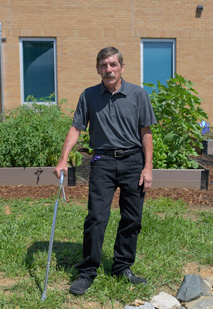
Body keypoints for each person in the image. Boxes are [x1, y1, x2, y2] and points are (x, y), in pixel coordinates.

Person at [53, 47, 156, 295]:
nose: (108, 69)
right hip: (102, 162)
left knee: (132, 218)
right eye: (103, 65)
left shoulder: (138, 95)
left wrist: (148, 167)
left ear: (122, 66)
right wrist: (63, 159)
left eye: (112, 64)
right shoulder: (89, 96)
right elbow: (76, 128)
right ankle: (87, 271)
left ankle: (122, 267)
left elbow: (146, 133)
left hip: (133, 161)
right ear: (98, 68)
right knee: (97, 218)